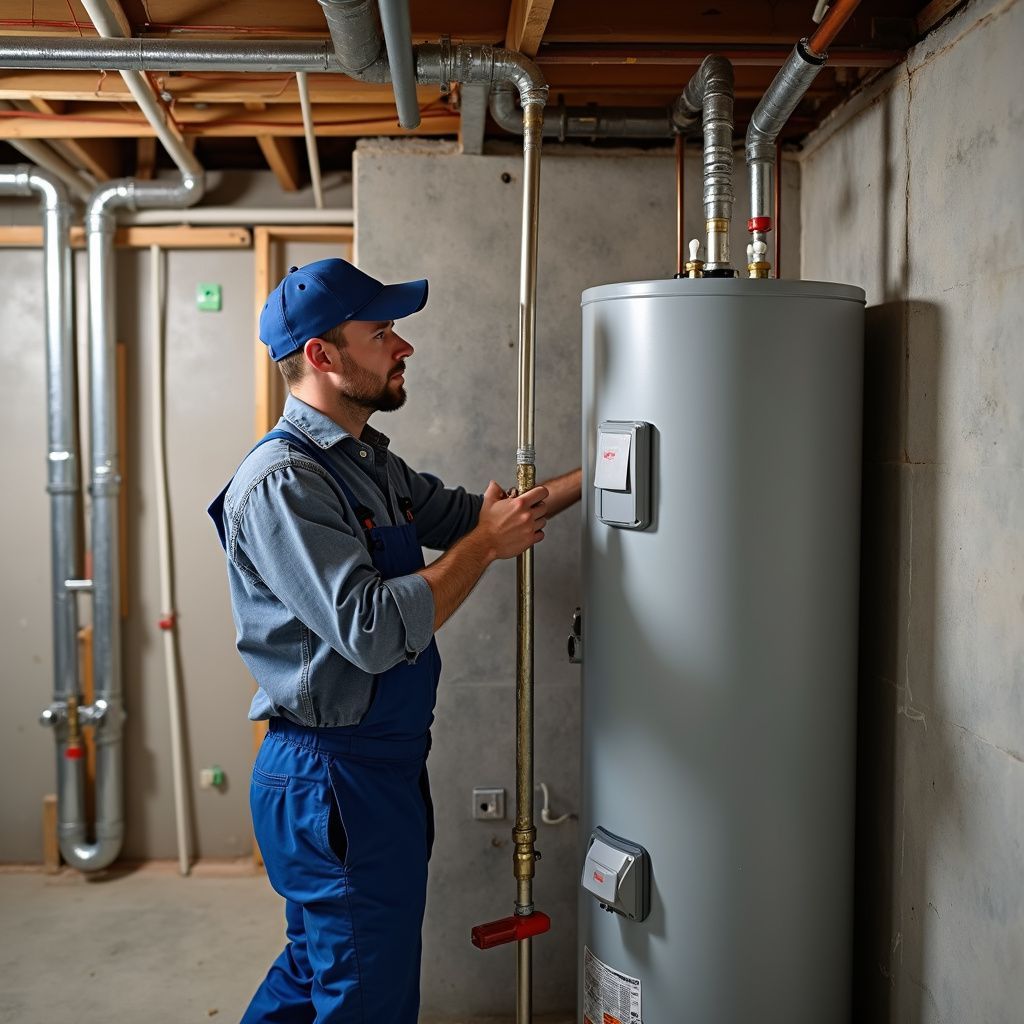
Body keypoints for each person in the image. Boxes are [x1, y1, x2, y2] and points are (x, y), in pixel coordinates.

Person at [208, 257, 581, 1023]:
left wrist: (606, 474)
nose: (402, 346)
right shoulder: (286, 482)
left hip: (374, 771)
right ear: (323, 355)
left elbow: (468, 518)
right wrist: (483, 548)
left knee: (316, 975)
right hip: (332, 778)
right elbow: (373, 631)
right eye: (381, 333)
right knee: (364, 999)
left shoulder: (367, 463)